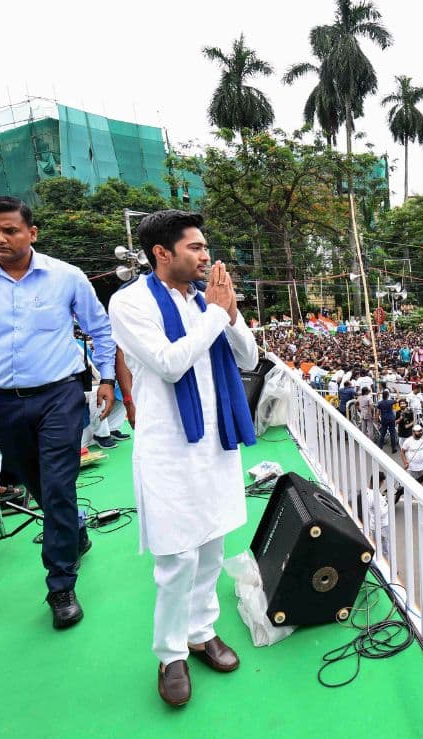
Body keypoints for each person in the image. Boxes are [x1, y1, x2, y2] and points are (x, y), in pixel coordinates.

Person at [0, 196, 115, 628]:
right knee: (37, 485)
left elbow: (99, 327)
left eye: (9, 230)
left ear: (31, 232)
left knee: (56, 484)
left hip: (60, 395)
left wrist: (106, 376)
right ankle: (78, 533)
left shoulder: (65, 277)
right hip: (0, 401)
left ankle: (60, 584)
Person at [109, 209, 258, 707]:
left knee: (212, 547)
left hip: (216, 443)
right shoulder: (129, 303)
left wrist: (229, 315)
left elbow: (249, 359)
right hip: (169, 450)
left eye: (204, 245)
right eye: (194, 247)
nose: (205, 254)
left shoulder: (206, 302)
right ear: (161, 253)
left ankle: (201, 631)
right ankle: (171, 653)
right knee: (177, 558)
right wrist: (215, 314)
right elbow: (171, 365)